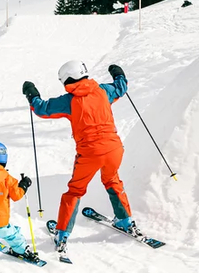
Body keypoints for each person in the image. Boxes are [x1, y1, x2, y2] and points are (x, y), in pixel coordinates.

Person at [22, 61, 141, 253]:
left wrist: (31, 93)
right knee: (112, 180)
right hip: (114, 148)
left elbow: (42, 109)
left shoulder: (69, 100)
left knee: (75, 191)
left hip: (90, 153)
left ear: (67, 79)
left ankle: (62, 234)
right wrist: (118, 73)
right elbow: (121, 87)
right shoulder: (103, 91)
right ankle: (126, 220)